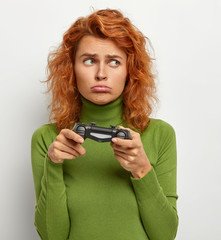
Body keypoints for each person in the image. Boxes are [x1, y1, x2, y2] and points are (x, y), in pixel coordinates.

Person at [31, 9, 178, 240]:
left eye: (114, 62)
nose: (101, 74)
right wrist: (54, 164)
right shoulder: (47, 139)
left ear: (130, 70)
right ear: (71, 69)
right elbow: (52, 236)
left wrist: (142, 169)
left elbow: (165, 235)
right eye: (89, 60)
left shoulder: (160, 134)